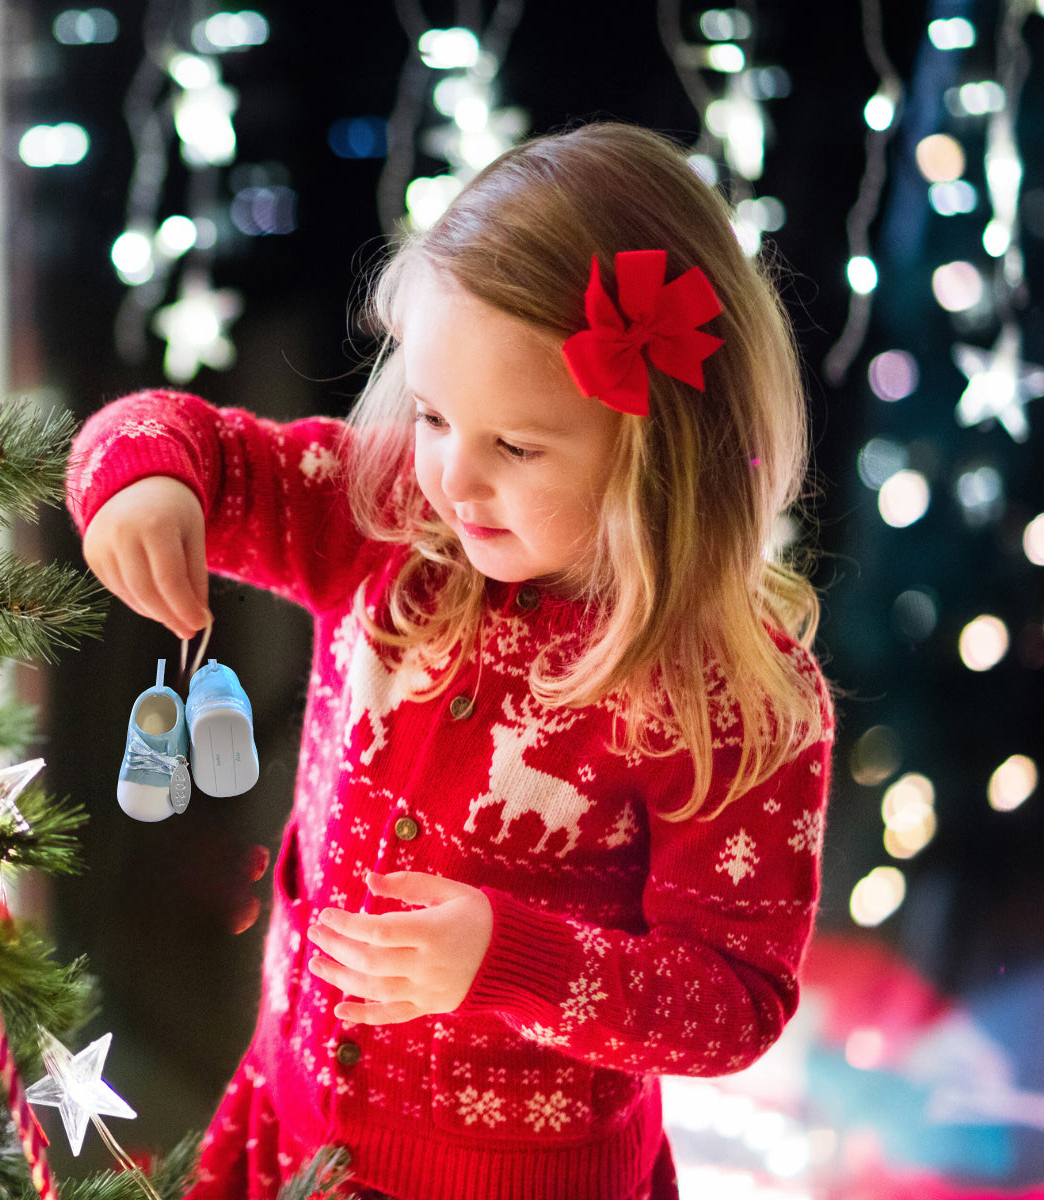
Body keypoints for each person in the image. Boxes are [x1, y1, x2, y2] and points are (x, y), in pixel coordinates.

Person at [65, 122, 835, 1200]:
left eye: (514, 447)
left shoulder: (728, 698)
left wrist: (510, 961)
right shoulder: (384, 526)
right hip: (291, 1131)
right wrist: (147, 479)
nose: (452, 479)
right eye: (431, 416)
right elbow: (185, 439)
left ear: (658, 446)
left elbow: (735, 1002)